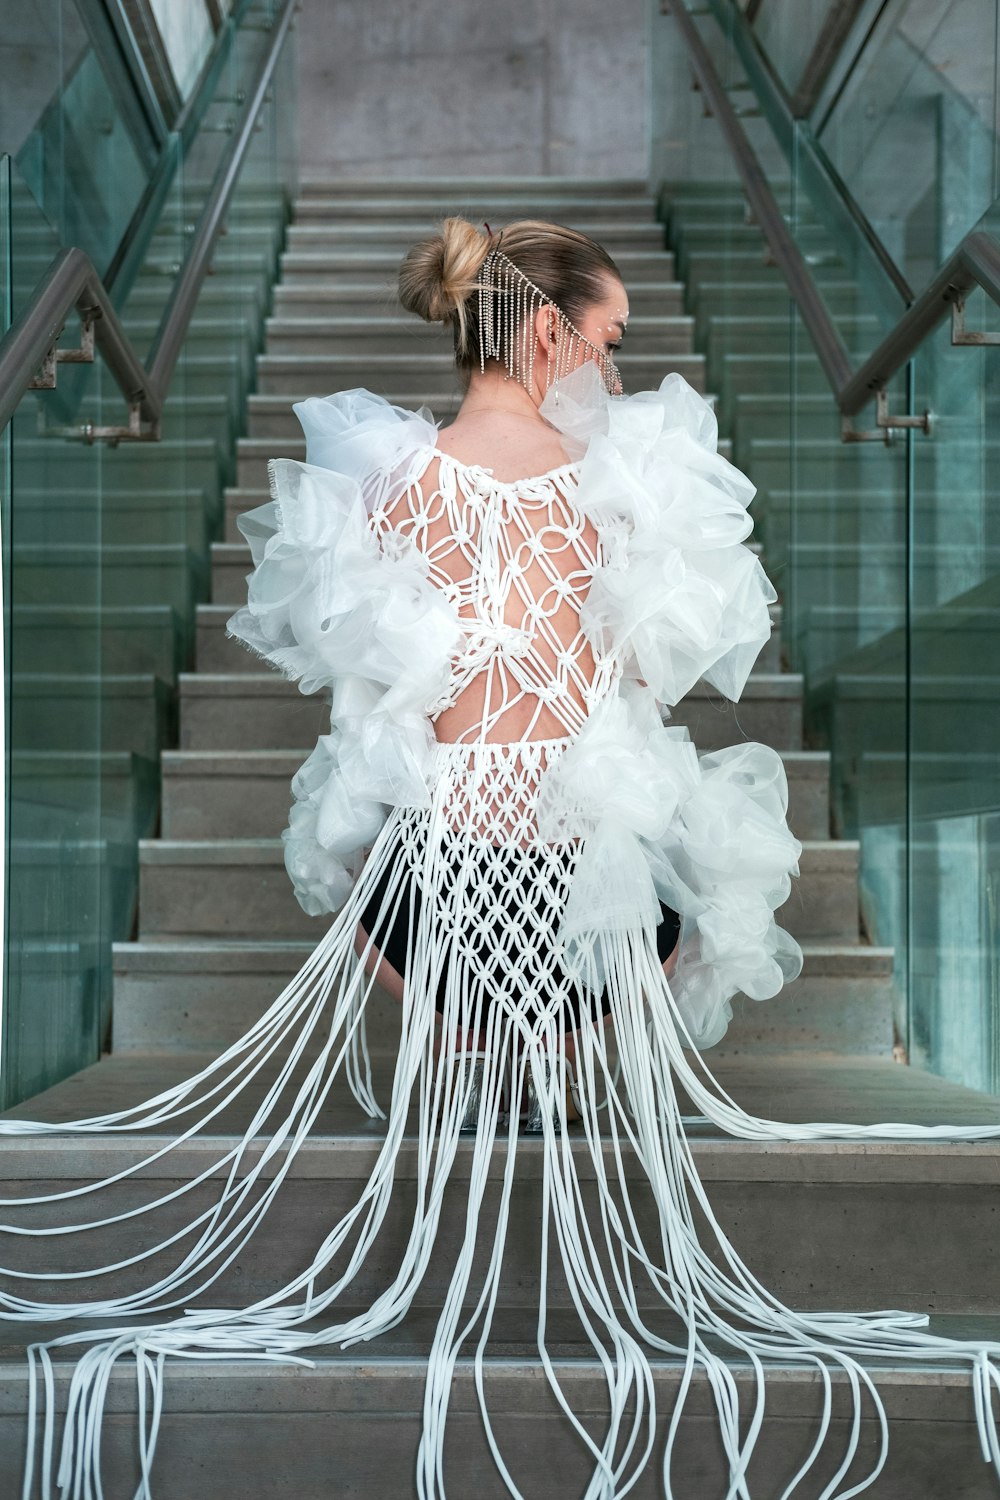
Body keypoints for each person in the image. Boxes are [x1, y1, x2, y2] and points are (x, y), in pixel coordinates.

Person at [1, 215, 1000, 1499]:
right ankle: (560, 1043)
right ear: (546, 332)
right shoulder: (617, 475)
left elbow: (369, 693)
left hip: (441, 891)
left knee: (366, 855)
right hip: (588, 898)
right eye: (608, 340)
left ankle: (478, 1038)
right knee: (678, 869)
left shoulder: (390, 475)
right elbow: (647, 674)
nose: (617, 370)